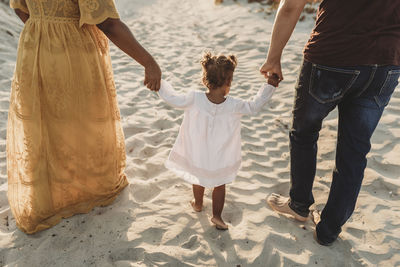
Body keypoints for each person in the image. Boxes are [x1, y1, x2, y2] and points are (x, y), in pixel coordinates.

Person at [8, 0, 161, 234]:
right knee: (83, 121)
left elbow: (19, 8)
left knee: (45, 123)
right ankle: (84, 189)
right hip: (72, 51)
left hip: (34, 47)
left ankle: (50, 196)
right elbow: (108, 23)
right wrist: (148, 62)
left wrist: (45, 28)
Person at [260, 0, 400, 245]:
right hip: (386, 64)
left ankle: (299, 204)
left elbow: (292, 6)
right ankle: (329, 230)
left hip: (333, 57)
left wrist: (273, 57)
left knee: (304, 133)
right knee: (355, 151)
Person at [158, 52, 277, 229]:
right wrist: (270, 86)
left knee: (197, 178)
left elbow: (173, 98)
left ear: (205, 78)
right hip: (221, 155)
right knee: (219, 185)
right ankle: (217, 216)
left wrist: (159, 84)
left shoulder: (193, 98)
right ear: (228, 82)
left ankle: (198, 204)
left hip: (197, 152)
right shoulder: (235, 105)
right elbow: (254, 106)